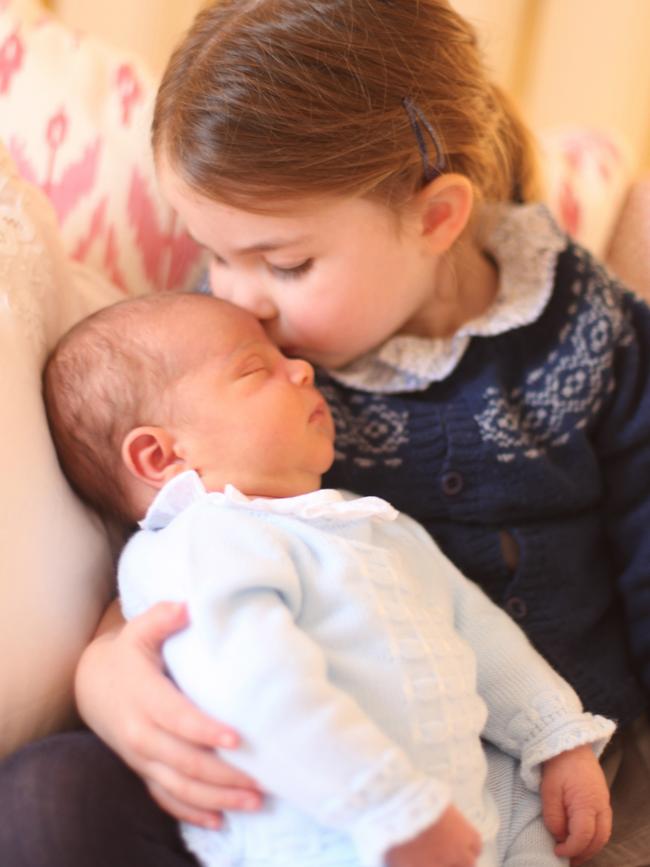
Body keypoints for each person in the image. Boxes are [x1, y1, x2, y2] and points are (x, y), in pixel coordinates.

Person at [0, 1, 648, 865]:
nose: (238, 297)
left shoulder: (590, 333)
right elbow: (175, 522)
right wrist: (108, 664)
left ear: (437, 217)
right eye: (213, 253)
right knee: (50, 797)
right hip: (298, 750)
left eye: (285, 262)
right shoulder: (238, 347)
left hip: (539, 775)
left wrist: (568, 737)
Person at [42, 290, 614, 867]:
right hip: (331, 832)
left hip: (474, 817)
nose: (301, 368)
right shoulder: (200, 543)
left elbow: (480, 634)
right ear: (162, 456)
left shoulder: (377, 527)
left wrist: (553, 736)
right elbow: (255, 688)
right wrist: (388, 810)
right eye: (254, 368)